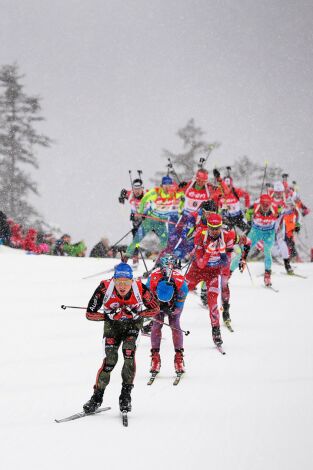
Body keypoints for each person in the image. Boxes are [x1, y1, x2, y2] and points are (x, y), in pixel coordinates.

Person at [83, 263, 160, 414]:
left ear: (132, 281)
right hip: (112, 326)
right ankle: (96, 398)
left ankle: (125, 396)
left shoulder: (140, 288)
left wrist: (138, 314)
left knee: (128, 355)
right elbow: (89, 313)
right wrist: (107, 315)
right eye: (119, 282)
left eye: (126, 282)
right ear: (114, 280)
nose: (122, 286)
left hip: (132, 325)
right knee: (110, 361)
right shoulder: (104, 288)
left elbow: (155, 308)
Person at [186, 212, 230, 347]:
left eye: (218, 228)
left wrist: (242, 258)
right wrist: (208, 252)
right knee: (178, 293)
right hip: (197, 271)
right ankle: (155, 320)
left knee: (213, 303)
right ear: (208, 226)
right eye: (212, 228)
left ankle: (216, 331)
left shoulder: (228, 235)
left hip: (213, 274)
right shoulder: (200, 236)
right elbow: (200, 263)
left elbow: (246, 241)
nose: (215, 231)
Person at [146, 255, 188, 375]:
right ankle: (155, 357)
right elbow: (146, 299)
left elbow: (179, 308)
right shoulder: (152, 281)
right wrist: (154, 307)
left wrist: (172, 310)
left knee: (175, 325)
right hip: (157, 303)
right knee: (156, 326)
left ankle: (179, 357)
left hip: (174, 304)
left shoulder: (182, 285)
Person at [125, 176, 184, 261]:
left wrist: (180, 210)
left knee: (165, 241)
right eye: (165, 185)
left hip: (161, 222)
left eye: (169, 185)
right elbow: (144, 199)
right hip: (150, 220)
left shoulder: (174, 193)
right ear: (162, 185)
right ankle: (126, 257)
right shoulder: (156, 193)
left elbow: (183, 196)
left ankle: (162, 259)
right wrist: (140, 212)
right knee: (137, 239)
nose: (167, 188)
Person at [231, 194, 279, 287]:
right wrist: (249, 222)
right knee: (244, 252)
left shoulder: (276, 208)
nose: (265, 208)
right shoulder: (254, 207)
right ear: (260, 203)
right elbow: (248, 213)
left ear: (270, 204)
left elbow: (282, 215)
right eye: (263, 205)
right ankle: (228, 273)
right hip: (256, 231)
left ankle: (267, 276)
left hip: (269, 233)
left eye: (267, 205)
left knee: (267, 252)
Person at [118, 178, 146, 266]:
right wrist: (121, 198)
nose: (137, 191)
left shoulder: (147, 195)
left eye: (139, 189)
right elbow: (122, 194)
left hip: (147, 218)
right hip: (135, 219)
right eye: (135, 189)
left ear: (142, 188)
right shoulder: (130, 194)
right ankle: (135, 257)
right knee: (136, 238)